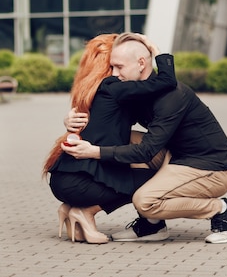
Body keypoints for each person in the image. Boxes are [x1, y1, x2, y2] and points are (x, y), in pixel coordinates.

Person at [63, 32, 227, 244]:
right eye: (112, 67)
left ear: (141, 63)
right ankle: (152, 225)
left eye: (119, 67)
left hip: (211, 167)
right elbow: (108, 124)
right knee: (121, 137)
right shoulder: (135, 90)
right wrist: (72, 120)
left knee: (144, 200)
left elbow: (146, 151)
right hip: (173, 154)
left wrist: (95, 152)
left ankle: (221, 209)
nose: (114, 73)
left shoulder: (173, 96)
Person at [44, 33, 177, 244]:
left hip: (66, 178)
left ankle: (71, 208)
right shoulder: (114, 86)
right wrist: (154, 51)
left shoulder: (95, 89)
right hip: (79, 183)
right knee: (152, 182)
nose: (117, 72)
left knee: (136, 174)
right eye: (114, 65)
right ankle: (85, 212)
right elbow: (167, 81)